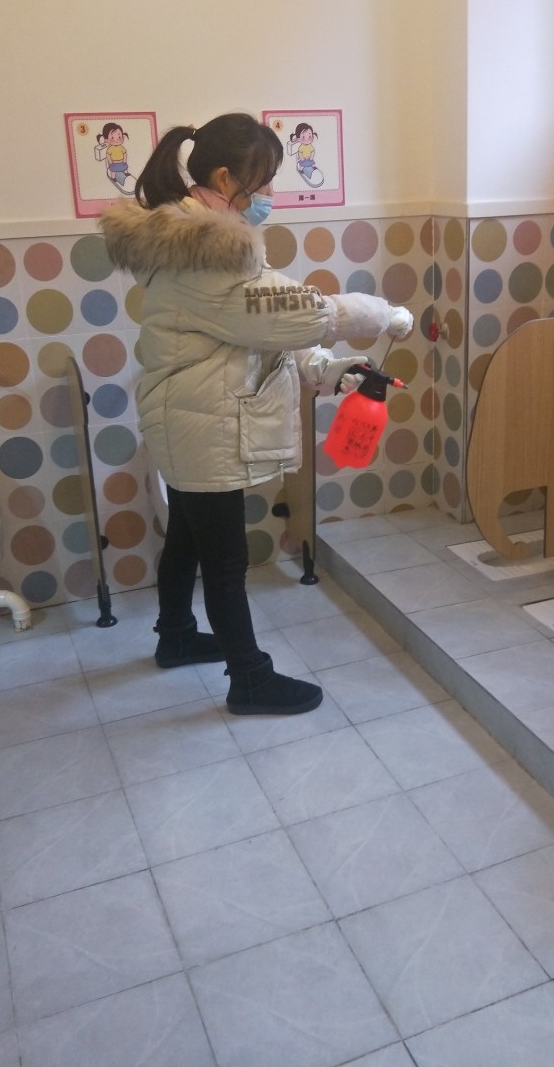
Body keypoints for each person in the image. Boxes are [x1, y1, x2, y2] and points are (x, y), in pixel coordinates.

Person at [100, 113, 413, 716]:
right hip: (203, 423)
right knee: (225, 559)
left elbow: (258, 326)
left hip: (188, 417)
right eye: (264, 180)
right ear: (226, 178)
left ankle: (176, 636)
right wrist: (375, 313)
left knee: (186, 538)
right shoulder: (205, 253)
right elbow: (288, 315)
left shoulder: (203, 238)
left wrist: (327, 369)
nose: (271, 192)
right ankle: (249, 679)